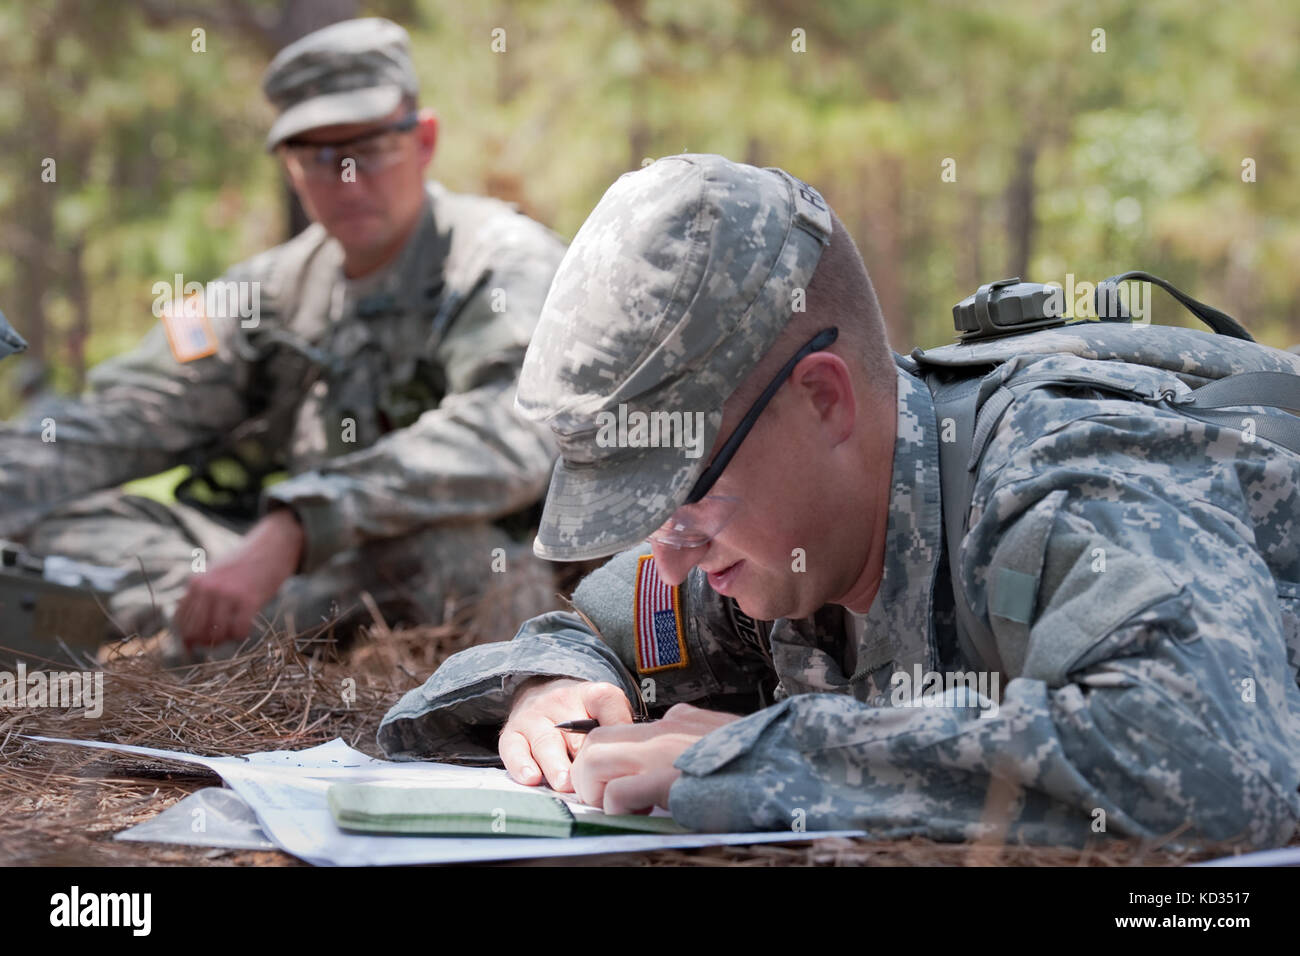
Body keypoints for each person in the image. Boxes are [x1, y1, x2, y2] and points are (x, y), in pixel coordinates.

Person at [376, 153, 1300, 849]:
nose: (667, 554)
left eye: (683, 492)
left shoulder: (1068, 475)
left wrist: (763, 755)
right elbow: (588, 631)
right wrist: (555, 688)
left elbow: (1220, 759)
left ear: (824, 398)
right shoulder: (779, 545)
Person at [0, 18, 566, 653]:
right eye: (317, 157)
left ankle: (228, 652)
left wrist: (302, 521)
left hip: (412, 564)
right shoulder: (269, 293)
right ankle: (238, 644)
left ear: (425, 139)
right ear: (289, 167)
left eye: (370, 149)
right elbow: (120, 420)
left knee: (465, 559)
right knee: (59, 530)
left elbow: (514, 433)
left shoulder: (500, 263)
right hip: (280, 573)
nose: (345, 180)